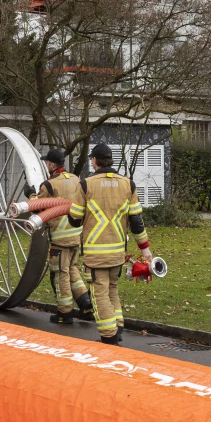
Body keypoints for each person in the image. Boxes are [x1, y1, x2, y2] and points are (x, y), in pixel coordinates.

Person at [67, 143, 153, 344]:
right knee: (112, 289)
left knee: (99, 294)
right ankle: (118, 327)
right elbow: (136, 222)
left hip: (95, 255)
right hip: (117, 253)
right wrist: (145, 249)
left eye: (91, 159)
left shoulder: (86, 185)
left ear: (94, 160)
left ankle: (109, 336)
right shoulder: (128, 184)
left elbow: (74, 220)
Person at [32, 148, 93, 325]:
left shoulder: (49, 185)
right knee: (72, 268)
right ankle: (85, 303)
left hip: (60, 238)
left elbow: (38, 208)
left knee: (60, 274)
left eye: (46, 162)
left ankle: (64, 313)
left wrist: (30, 195)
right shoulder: (76, 179)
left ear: (52, 165)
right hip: (77, 235)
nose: (46, 165)